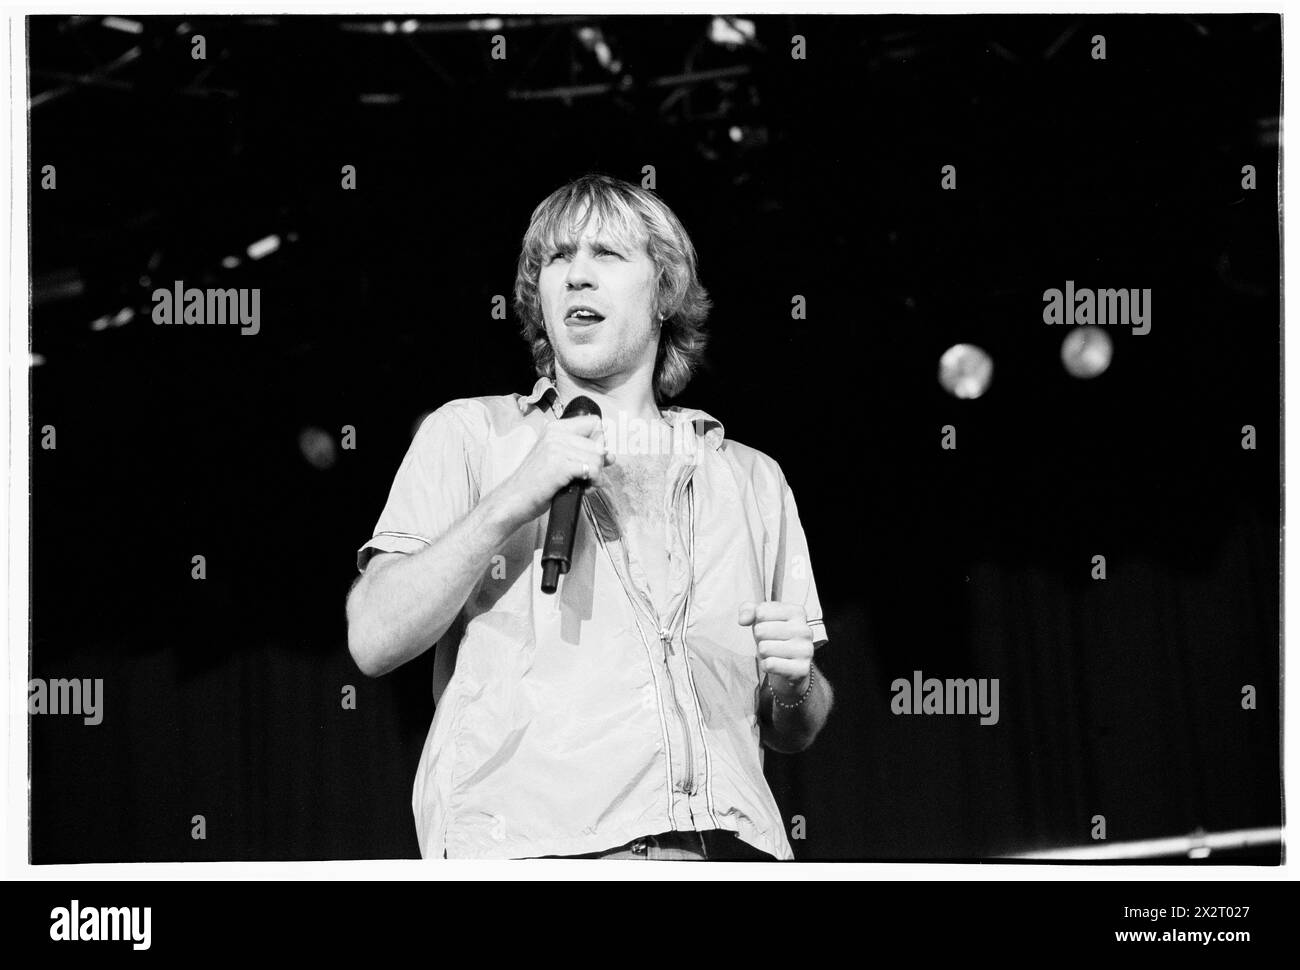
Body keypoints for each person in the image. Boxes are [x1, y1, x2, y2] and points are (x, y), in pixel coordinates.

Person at [346, 174, 833, 860]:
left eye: (606, 255)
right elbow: (373, 637)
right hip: (531, 852)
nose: (576, 276)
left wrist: (794, 684)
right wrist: (510, 500)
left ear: (664, 293)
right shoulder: (473, 435)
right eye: (555, 260)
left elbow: (793, 728)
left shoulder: (749, 479)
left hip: (727, 853)